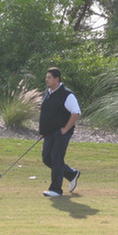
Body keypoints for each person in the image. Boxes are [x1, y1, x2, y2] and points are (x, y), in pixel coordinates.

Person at [38, 67, 81, 197]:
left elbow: (76, 113)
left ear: (57, 79)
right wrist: (43, 130)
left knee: (56, 159)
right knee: (47, 158)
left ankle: (56, 190)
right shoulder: (48, 92)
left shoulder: (67, 95)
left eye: (49, 77)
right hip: (49, 133)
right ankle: (71, 173)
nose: (47, 80)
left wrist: (65, 129)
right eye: (46, 78)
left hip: (61, 133)